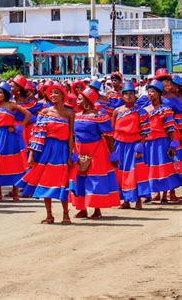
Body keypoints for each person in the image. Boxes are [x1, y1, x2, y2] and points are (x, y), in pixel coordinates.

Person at [17, 83, 74, 225]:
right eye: (51, 93)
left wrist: (70, 154)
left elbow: (71, 135)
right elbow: (37, 135)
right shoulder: (45, 112)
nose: (53, 95)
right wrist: (31, 155)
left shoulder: (69, 113)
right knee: (45, 181)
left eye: (56, 93)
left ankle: (66, 215)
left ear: (63, 95)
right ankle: (49, 215)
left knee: (62, 183)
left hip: (62, 150)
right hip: (46, 151)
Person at [69, 88, 120, 218]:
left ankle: (97, 209)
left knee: (95, 179)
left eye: (80, 99)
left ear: (87, 101)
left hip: (96, 151)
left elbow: (108, 136)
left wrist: (112, 153)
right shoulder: (76, 115)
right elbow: (73, 135)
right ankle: (82, 208)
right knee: (79, 179)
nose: (77, 101)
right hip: (79, 149)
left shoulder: (99, 116)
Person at [112, 82, 150, 209]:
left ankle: (138, 199)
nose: (128, 96)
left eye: (131, 94)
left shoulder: (141, 111)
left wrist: (141, 145)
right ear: (122, 96)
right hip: (119, 145)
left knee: (135, 172)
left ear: (135, 96)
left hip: (134, 144)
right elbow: (112, 131)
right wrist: (112, 150)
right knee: (121, 171)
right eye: (126, 94)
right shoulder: (117, 111)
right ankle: (126, 200)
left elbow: (145, 130)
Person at [0, 81, 30, 202]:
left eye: (1, 92)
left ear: (6, 93)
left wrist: (20, 126)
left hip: (11, 137)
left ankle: (15, 193)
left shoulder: (12, 105)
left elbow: (27, 114)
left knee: (14, 163)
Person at [143, 80, 181, 202]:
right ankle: (155, 192)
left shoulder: (165, 109)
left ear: (159, 93)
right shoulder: (145, 109)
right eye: (148, 91)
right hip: (148, 142)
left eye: (152, 91)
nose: (150, 94)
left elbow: (170, 128)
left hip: (161, 142)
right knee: (150, 167)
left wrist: (172, 144)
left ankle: (165, 194)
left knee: (164, 167)